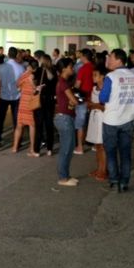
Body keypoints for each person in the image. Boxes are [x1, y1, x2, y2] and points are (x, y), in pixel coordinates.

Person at [99, 49, 134, 192]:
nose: (109, 60)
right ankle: (124, 182)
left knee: (111, 152)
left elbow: (102, 98)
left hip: (111, 120)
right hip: (128, 120)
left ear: (119, 60)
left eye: (111, 57)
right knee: (125, 153)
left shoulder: (111, 77)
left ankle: (114, 180)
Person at [54, 58, 79, 186]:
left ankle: (65, 175)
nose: (72, 69)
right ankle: (63, 178)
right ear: (64, 69)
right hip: (64, 118)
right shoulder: (63, 83)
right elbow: (73, 101)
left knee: (68, 147)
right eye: (70, 67)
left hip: (64, 117)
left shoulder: (63, 82)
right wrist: (77, 99)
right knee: (66, 148)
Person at [11, 60, 40, 157]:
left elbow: (17, 85)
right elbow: (34, 88)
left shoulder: (24, 75)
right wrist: (37, 88)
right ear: (35, 68)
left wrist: (22, 87)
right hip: (30, 103)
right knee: (32, 125)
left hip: (23, 102)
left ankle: (15, 147)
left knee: (19, 125)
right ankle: (32, 148)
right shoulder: (31, 76)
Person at [86, 65, 108, 181]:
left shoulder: (107, 89)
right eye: (93, 75)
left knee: (102, 145)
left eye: (95, 75)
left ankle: (103, 170)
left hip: (103, 119)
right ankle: (99, 168)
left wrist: (93, 105)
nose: (93, 77)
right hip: (94, 117)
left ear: (102, 77)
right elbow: (92, 101)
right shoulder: (94, 89)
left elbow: (105, 107)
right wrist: (90, 103)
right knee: (97, 145)